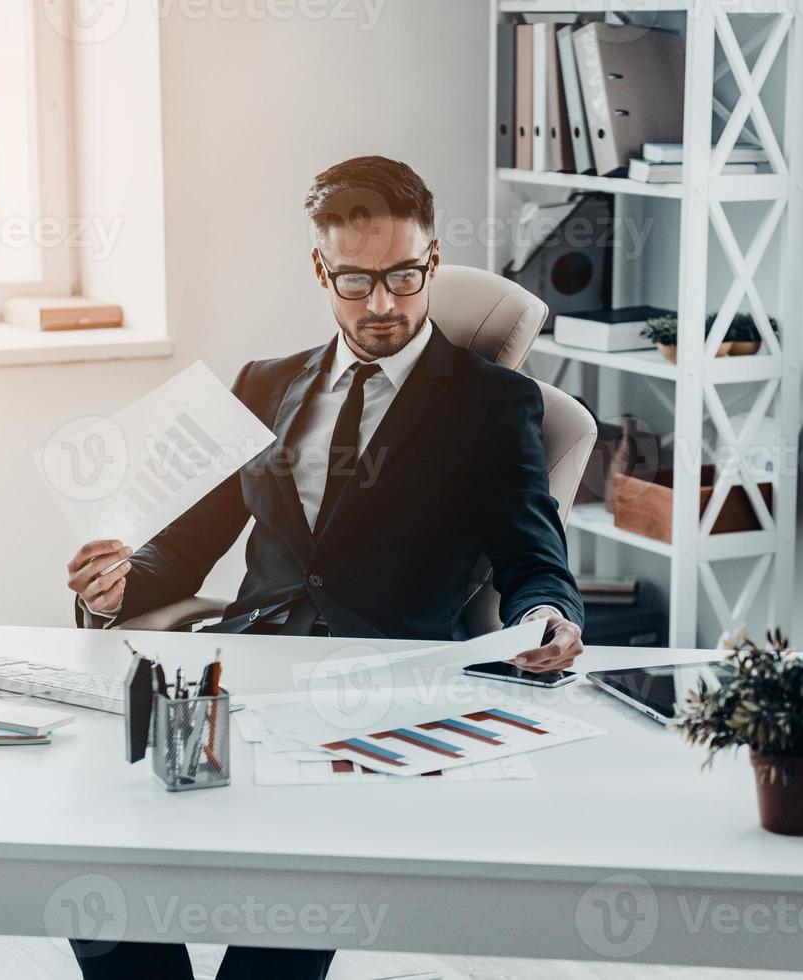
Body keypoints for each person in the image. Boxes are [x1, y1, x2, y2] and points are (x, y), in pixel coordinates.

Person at [64, 155, 584, 980]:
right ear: (320, 269)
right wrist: (118, 582)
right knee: (99, 859)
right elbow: (186, 544)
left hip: (377, 688)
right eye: (356, 281)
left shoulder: (490, 405)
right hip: (244, 669)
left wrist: (547, 617)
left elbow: (533, 556)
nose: (383, 304)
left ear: (433, 261)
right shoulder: (263, 384)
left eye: (405, 277)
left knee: (288, 898)